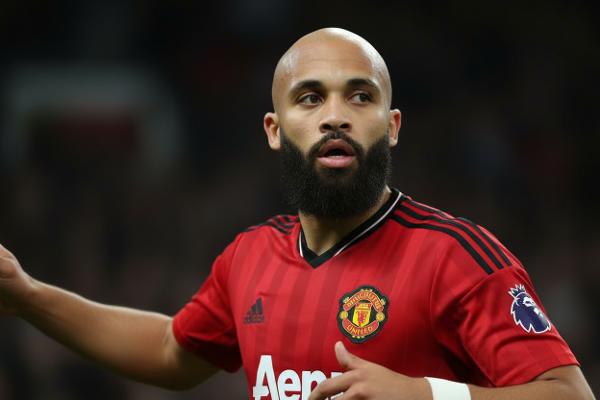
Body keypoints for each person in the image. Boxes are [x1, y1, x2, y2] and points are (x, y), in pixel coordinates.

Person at [0, 27, 595, 400]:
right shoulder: (249, 256)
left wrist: (427, 395)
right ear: (274, 130)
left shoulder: (457, 256)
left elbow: (568, 393)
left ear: (391, 127)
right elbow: (168, 352)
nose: (335, 115)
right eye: (310, 98)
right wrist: (27, 295)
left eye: (359, 96)